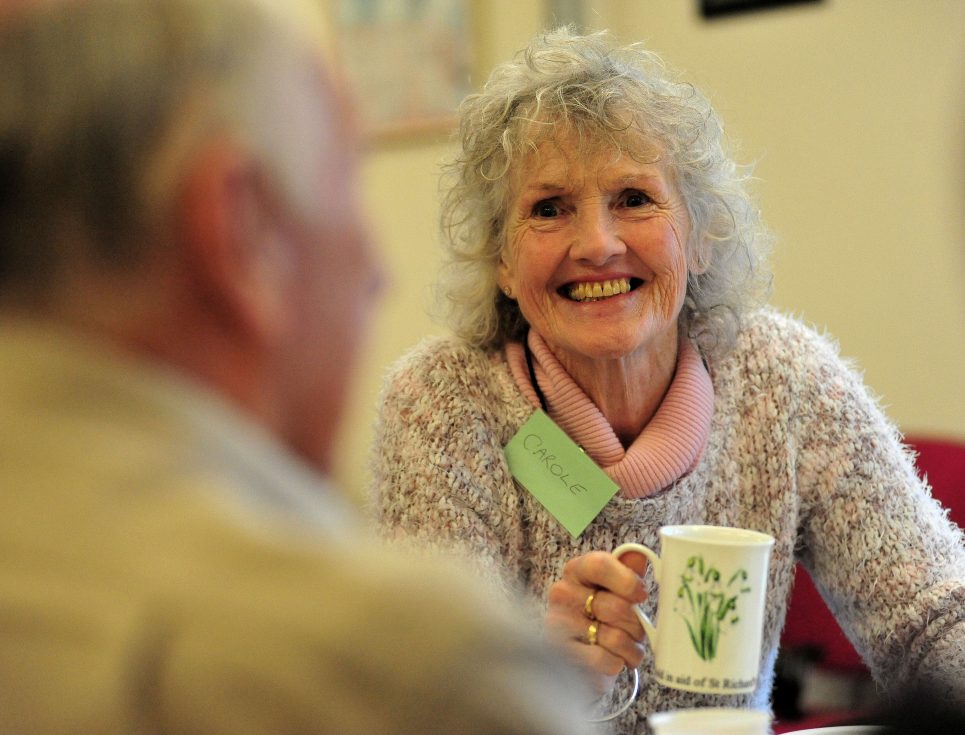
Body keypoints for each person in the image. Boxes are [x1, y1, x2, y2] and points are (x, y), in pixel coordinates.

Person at [0, 3, 596, 733]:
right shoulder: (389, 666)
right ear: (244, 232)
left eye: (635, 200)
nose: (375, 269)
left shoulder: (767, 364)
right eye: (346, 178)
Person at [372, 27, 965, 732]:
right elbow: (420, 700)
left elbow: (933, 621)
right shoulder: (440, 402)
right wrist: (533, 665)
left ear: (699, 231)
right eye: (548, 208)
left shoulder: (786, 380)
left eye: (633, 198)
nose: (595, 243)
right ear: (500, 260)